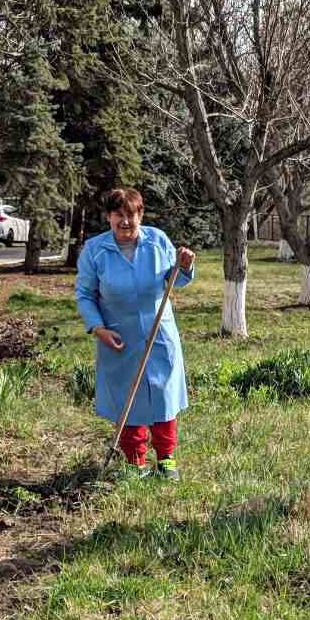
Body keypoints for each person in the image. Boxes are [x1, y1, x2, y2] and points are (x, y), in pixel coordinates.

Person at [75, 188, 197, 481]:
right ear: (109, 217)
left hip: (158, 333)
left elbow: (174, 281)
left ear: (140, 215)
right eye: (119, 215)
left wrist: (185, 266)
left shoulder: (157, 241)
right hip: (118, 337)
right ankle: (134, 462)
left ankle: (166, 459)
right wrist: (98, 328)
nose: (125, 221)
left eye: (131, 214)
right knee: (125, 400)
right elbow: (84, 294)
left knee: (162, 397)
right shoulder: (95, 250)